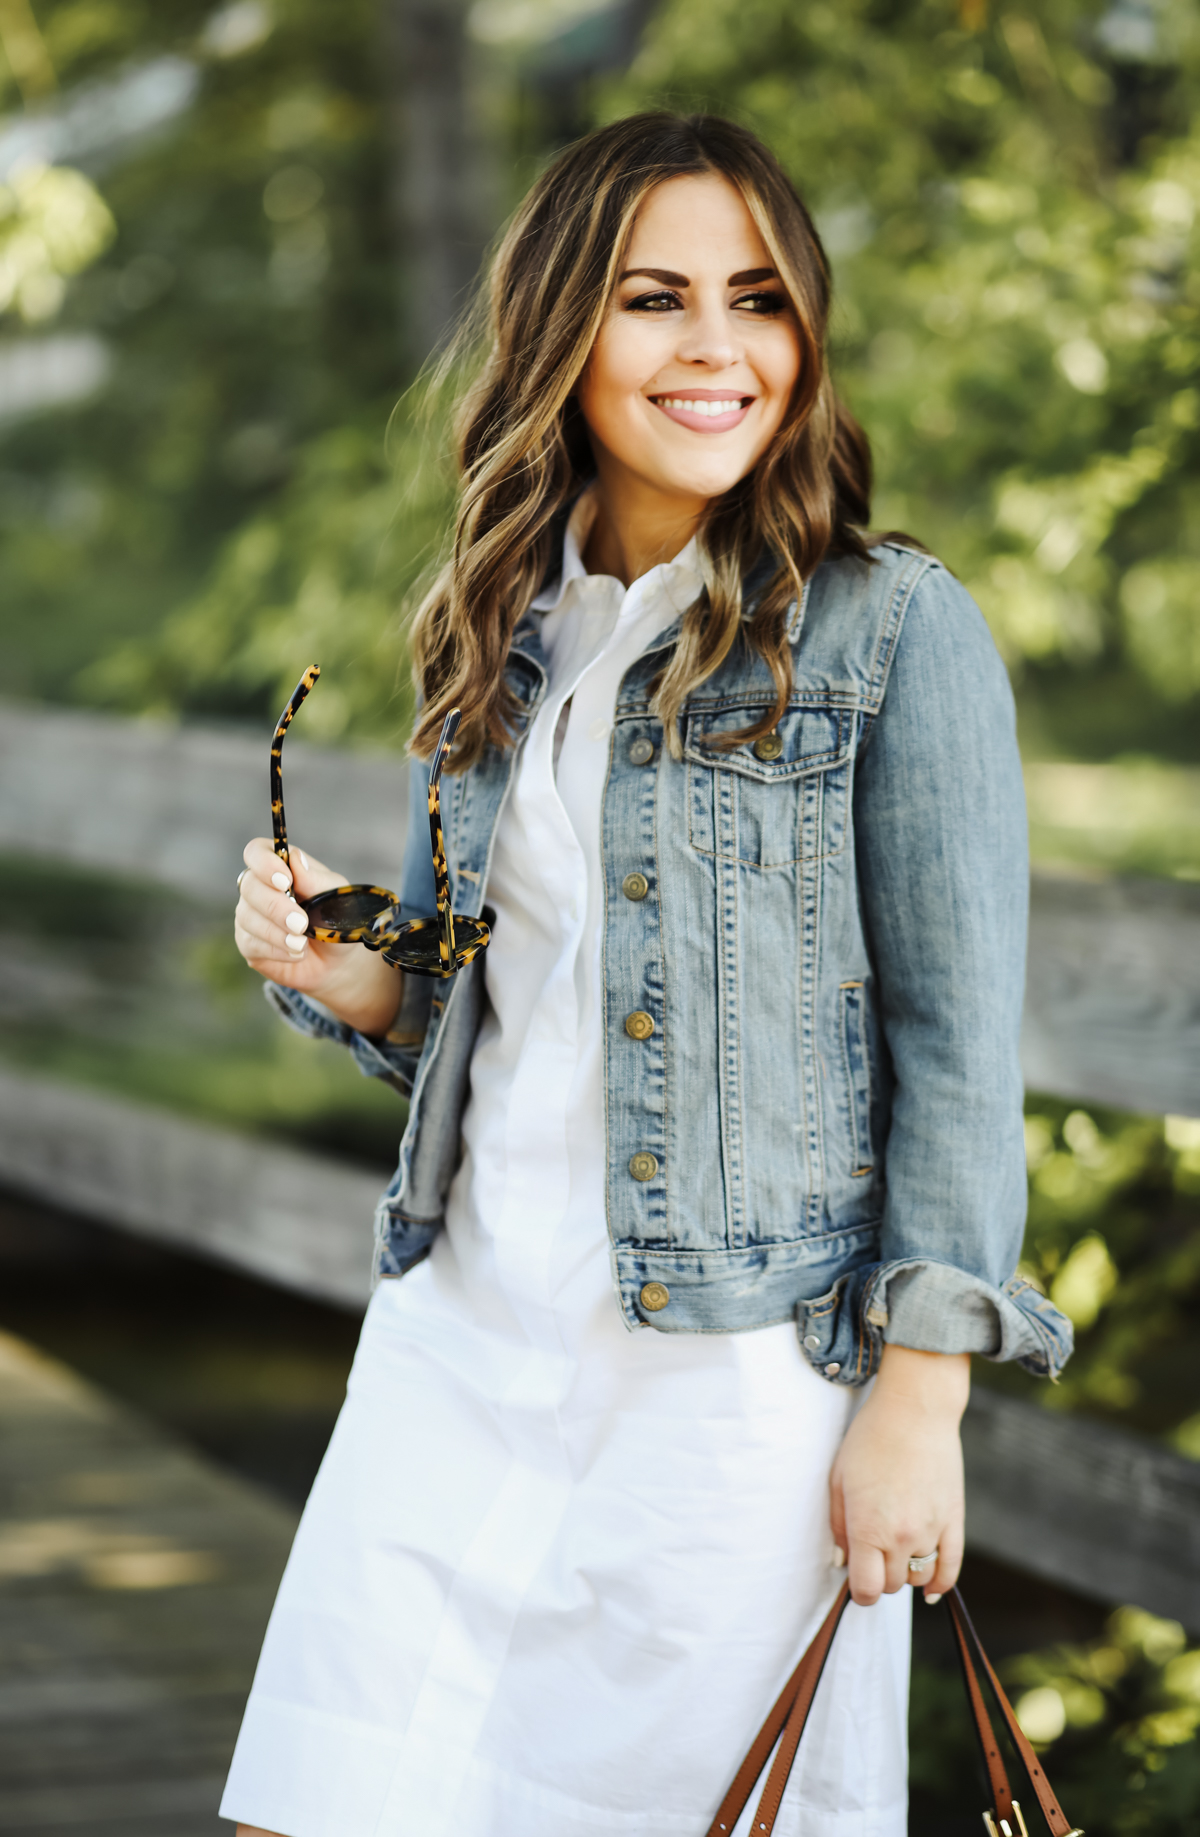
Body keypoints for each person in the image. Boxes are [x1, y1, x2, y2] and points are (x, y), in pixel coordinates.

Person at [221, 112, 1072, 1837]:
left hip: (727, 1394)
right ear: (560, 330)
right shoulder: (502, 622)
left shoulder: (893, 631)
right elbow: (516, 1006)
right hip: (462, 1332)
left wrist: (922, 1397)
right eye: (654, 298)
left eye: (758, 301)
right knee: (340, 1793)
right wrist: (365, 979)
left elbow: (963, 1050)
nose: (717, 348)